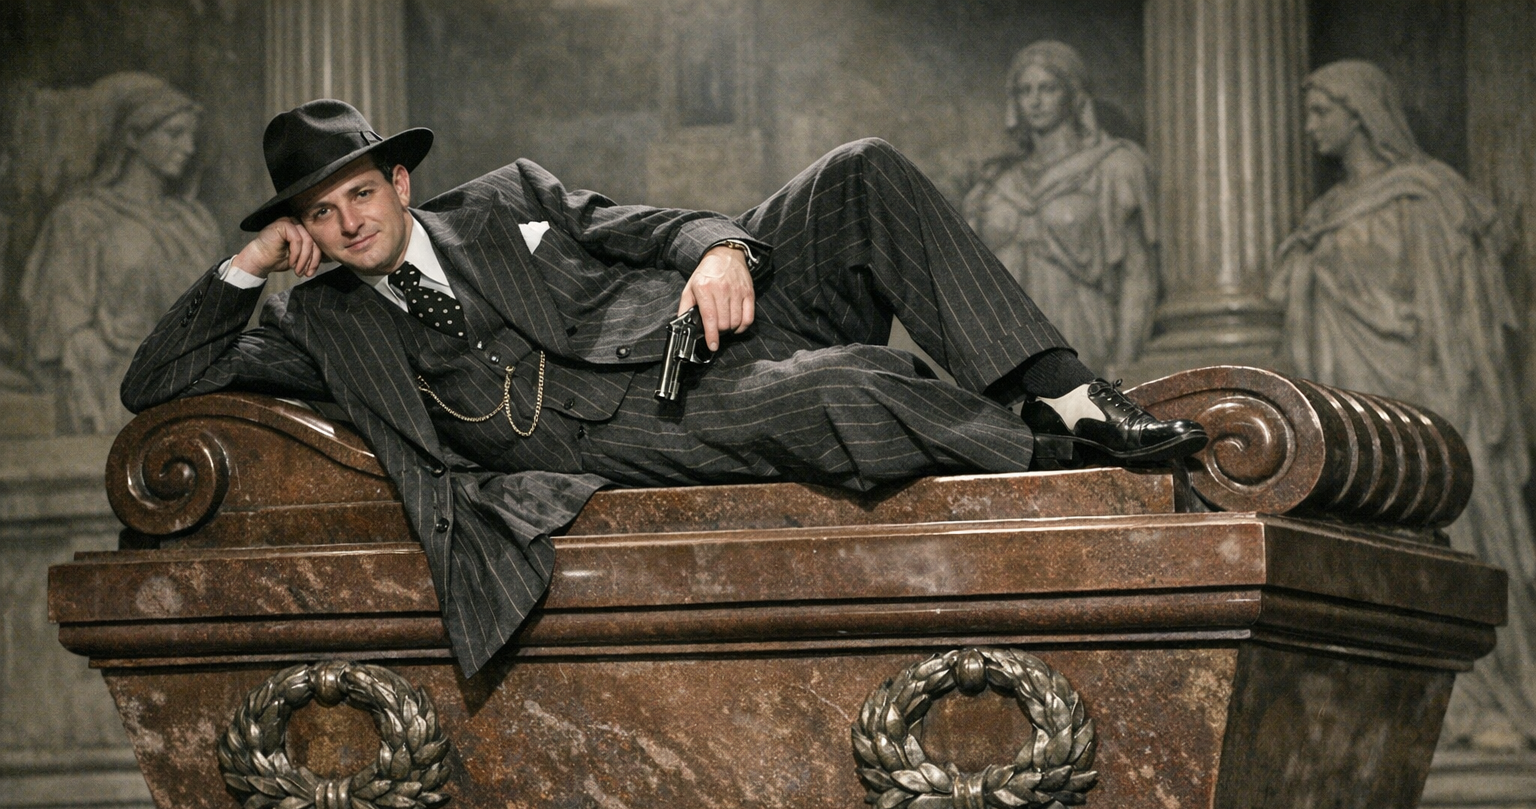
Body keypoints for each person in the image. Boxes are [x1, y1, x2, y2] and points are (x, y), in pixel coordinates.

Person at [123, 99, 1205, 678]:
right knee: (846, 387)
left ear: (398, 181)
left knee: (859, 172)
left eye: (359, 194)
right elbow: (159, 380)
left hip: (697, 316)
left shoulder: (504, 200)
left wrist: (721, 251)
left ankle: (1064, 395)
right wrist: (247, 266)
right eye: (319, 214)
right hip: (635, 424)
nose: (349, 223)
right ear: (302, 230)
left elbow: (646, 227)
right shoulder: (321, 326)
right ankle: (1059, 463)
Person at [1270, 60, 1536, 748]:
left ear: (1360, 112)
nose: (1310, 127)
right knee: (1359, 547)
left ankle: (1481, 698)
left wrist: (1457, 398)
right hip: (1346, 409)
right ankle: (1392, 703)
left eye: (1321, 111)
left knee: (1448, 535)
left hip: (1423, 398)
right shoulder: (1323, 214)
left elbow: (1460, 318)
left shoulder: (1426, 196)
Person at [22, 73, 220, 434]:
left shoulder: (196, 223)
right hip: (114, 393)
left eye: (191, 136)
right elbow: (65, 327)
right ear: (132, 137)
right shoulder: (81, 220)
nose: (189, 147)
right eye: (174, 134)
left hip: (194, 392)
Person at [963, 41, 1157, 373]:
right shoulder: (993, 184)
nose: (1035, 101)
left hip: (1084, 337)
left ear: (1073, 95)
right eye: (1025, 91)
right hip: (1006, 350)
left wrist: (1126, 366)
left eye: (1048, 88)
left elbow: (1137, 274)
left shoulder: (1113, 167)